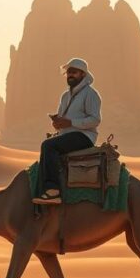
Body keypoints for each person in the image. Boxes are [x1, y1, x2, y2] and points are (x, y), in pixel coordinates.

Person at [33, 57, 102, 204]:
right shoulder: (65, 96)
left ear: (83, 74)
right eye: (68, 72)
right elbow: (63, 120)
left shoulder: (91, 94)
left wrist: (70, 122)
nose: (70, 75)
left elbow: (95, 120)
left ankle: (53, 191)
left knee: (48, 146)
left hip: (84, 136)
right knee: (47, 147)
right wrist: (58, 123)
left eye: (74, 72)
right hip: (68, 135)